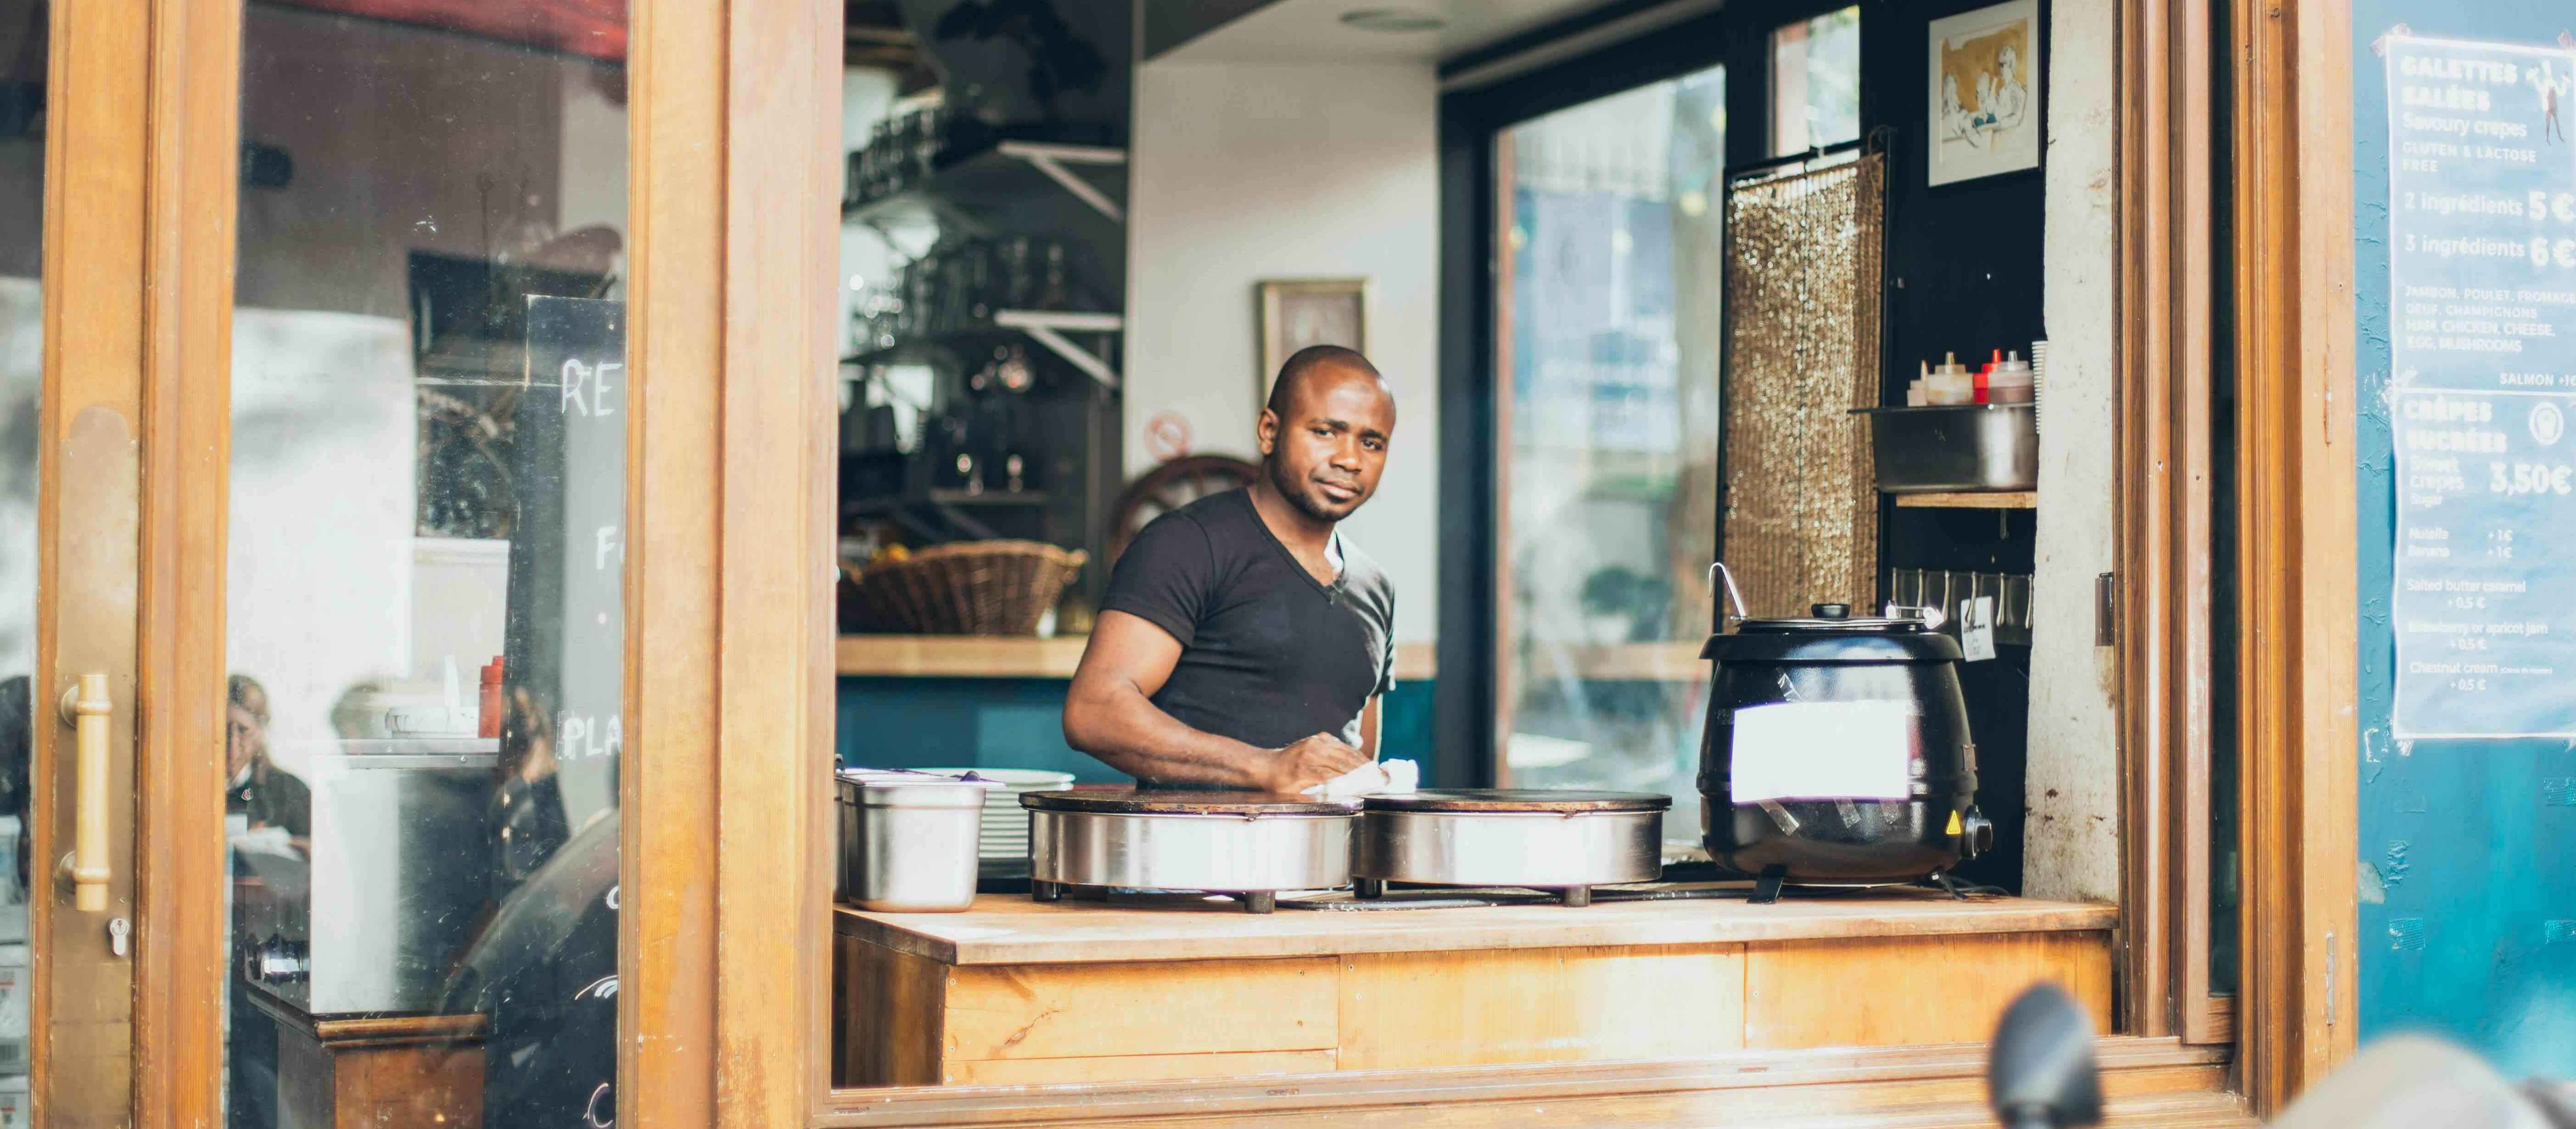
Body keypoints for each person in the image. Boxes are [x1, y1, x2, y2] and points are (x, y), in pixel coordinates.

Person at [1063, 345, 1399, 793]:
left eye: (1370, 442)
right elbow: (1093, 710)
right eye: (1325, 432)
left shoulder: (1377, 587)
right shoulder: (1186, 543)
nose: (1349, 459)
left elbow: (1353, 760)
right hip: (1193, 855)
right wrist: (1264, 767)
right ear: (1268, 431)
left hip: (1325, 860)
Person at [225, 674, 310, 849]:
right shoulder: (192, 789)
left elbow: (323, 856)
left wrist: (284, 844)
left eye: (243, 731)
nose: (232, 744)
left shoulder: (289, 792)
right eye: (223, 730)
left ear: (260, 733)